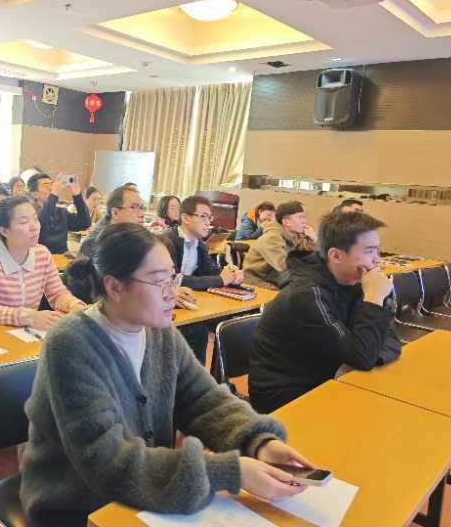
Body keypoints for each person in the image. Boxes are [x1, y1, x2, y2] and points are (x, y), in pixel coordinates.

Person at [20, 223, 311, 526]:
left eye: (172, 278)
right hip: (76, 503)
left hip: (142, 488)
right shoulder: (70, 343)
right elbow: (106, 461)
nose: (173, 293)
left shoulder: (159, 332)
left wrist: (258, 441)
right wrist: (228, 471)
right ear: (114, 287)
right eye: (160, 282)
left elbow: (203, 399)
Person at [249, 211, 401, 413]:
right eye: (369, 251)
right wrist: (374, 299)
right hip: (286, 395)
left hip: (328, 377)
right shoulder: (307, 295)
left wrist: (365, 357)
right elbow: (363, 357)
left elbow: (390, 339)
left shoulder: (356, 282)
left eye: (377, 251)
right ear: (335, 255)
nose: (377, 260)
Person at [0, 196, 86, 329]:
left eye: (35, 219)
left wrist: (74, 305)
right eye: (24, 222)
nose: (34, 227)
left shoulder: (42, 254)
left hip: (26, 333)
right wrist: (28, 317)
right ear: (4, 231)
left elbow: (57, 293)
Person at [162, 195, 245, 363]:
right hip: (168, 302)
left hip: (189, 302)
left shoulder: (199, 244)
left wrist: (231, 274)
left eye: (209, 217)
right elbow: (174, 280)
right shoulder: (167, 241)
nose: (208, 223)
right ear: (185, 218)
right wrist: (221, 280)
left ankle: (217, 374)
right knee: (198, 330)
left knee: (233, 322)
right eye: (203, 216)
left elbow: (212, 272)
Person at [243, 201, 317, 289]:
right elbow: (284, 267)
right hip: (257, 281)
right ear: (286, 222)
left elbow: (309, 259)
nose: (305, 221)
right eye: (300, 217)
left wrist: (314, 240)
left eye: (305, 217)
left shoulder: (296, 236)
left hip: (276, 279)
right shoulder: (272, 238)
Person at [27, 172, 90, 254]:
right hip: (41, 257)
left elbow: (84, 224)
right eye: (46, 186)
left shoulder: (61, 212)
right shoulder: (30, 214)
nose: (51, 188)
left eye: (52, 184)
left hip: (63, 257)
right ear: (35, 194)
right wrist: (54, 195)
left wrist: (77, 196)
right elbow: (41, 222)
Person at [78, 185, 144, 259]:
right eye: (133, 207)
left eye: (142, 208)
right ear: (115, 213)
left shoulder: (130, 236)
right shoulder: (93, 244)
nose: (142, 214)